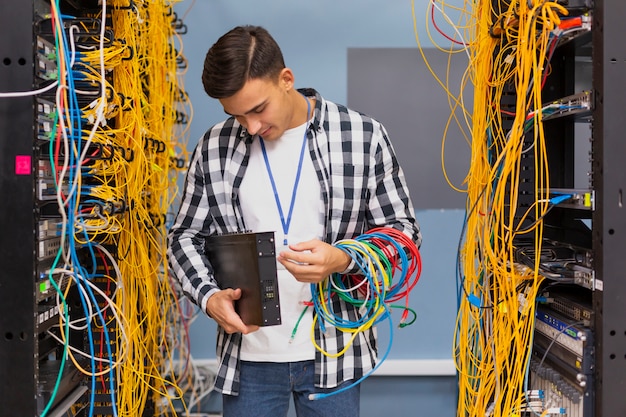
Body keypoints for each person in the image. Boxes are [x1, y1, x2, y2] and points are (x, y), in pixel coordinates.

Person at [167, 25, 421, 417]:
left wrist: (343, 259)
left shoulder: (362, 135)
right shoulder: (214, 145)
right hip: (248, 360)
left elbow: (403, 233)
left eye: (257, 109)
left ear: (287, 79)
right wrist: (207, 296)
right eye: (236, 115)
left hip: (335, 354)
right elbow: (184, 236)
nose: (250, 127)